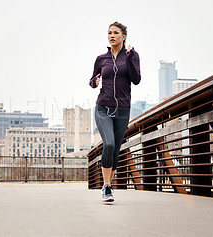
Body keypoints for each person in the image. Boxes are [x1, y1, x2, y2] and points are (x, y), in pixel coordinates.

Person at [89, 22, 141, 202]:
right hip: (103, 107)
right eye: (109, 33)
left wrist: (131, 57)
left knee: (116, 150)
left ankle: (108, 185)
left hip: (123, 110)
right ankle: (107, 186)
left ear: (123, 36)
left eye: (115, 33)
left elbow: (136, 80)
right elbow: (92, 79)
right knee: (109, 144)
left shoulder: (132, 56)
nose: (111, 35)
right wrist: (94, 82)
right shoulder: (101, 59)